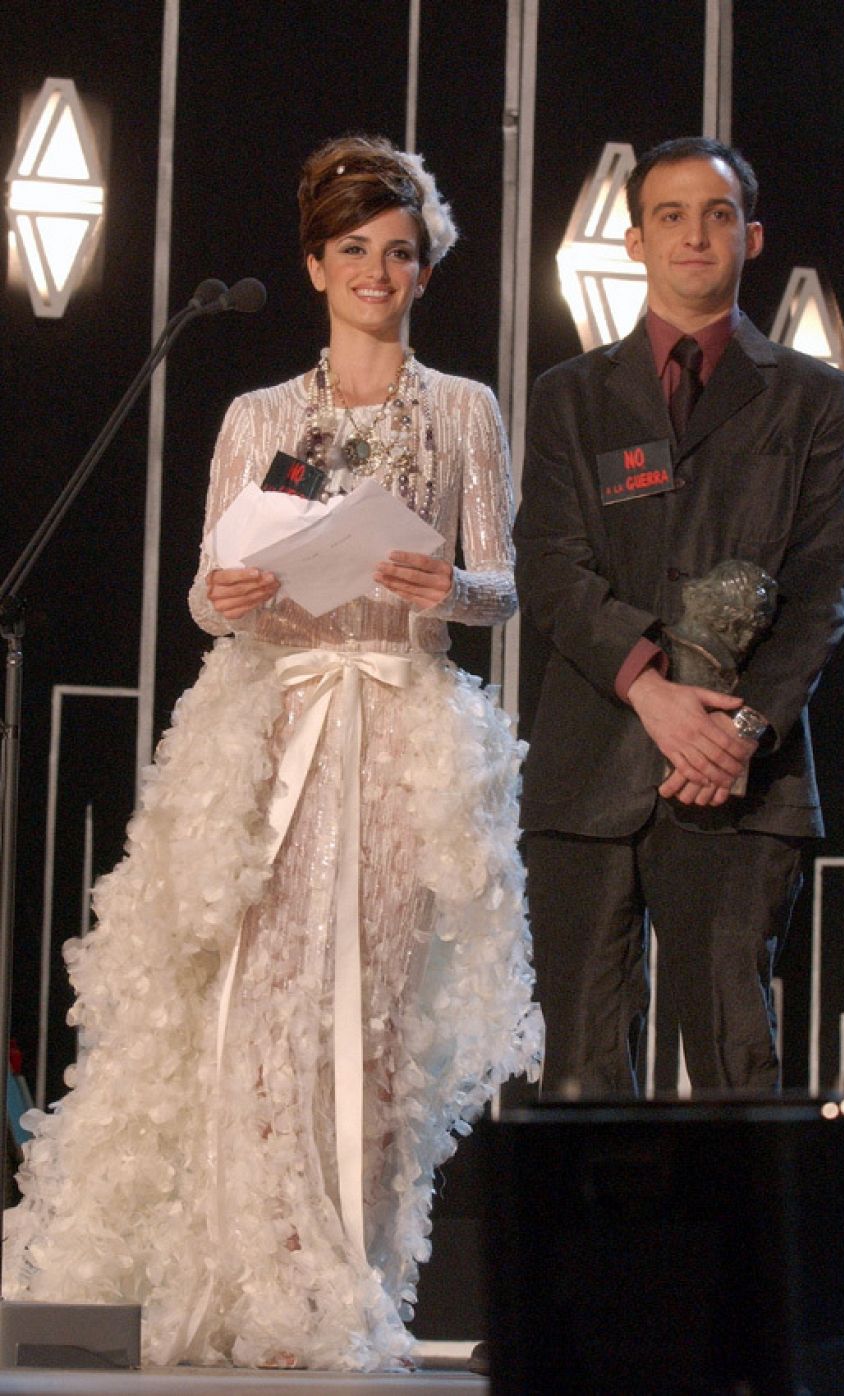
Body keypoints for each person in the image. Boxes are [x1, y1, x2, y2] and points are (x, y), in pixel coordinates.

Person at [4, 134, 541, 1371]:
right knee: (264, 1002)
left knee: (376, 1011)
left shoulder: (464, 408)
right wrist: (234, 593)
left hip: (400, 727)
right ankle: (262, 1275)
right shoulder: (259, 417)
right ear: (313, 263)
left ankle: (350, 1281)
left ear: (424, 267)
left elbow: (503, 586)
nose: (378, 271)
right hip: (275, 725)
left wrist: (449, 580)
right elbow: (204, 592)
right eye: (354, 249)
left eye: (399, 251)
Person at [515, 136, 844, 1098]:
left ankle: (746, 1257)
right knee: (579, 1075)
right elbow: (548, 567)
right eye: (670, 215)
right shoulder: (569, 398)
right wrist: (651, 690)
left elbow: (824, 584)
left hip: (741, 780)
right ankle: (586, 1260)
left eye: (716, 214)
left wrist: (741, 729)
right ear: (634, 241)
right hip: (588, 776)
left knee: (735, 1067)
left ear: (749, 236)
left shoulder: (815, 400)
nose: (694, 235)